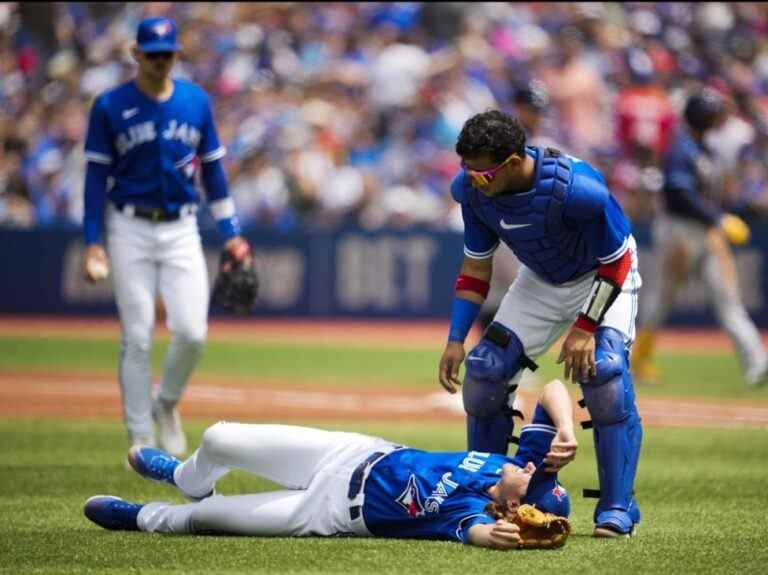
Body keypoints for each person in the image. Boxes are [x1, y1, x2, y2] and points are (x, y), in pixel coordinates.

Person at [437, 110, 643, 537]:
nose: (474, 179)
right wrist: (456, 338)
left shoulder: (579, 191)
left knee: (604, 372)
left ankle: (618, 507)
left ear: (513, 162)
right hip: (542, 280)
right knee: (484, 371)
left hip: (603, 276)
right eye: (467, 169)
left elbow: (616, 260)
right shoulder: (473, 193)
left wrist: (585, 328)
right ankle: (487, 494)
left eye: (483, 171)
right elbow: (476, 267)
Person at [83, 379, 577, 550]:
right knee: (218, 437)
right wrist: (568, 431)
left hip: (328, 515)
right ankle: (182, 476)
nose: (531, 468)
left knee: (206, 519)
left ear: (516, 509)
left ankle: (141, 516)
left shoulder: (467, 515)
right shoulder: (506, 468)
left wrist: (502, 538)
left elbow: (480, 536)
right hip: (350, 451)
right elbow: (554, 390)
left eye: (533, 482)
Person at [81, 17, 253, 456]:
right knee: (137, 335)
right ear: (136, 54)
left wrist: (231, 233)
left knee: (193, 332)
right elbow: (94, 179)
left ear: (176, 55)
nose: (160, 62)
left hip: (181, 226)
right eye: (152, 54)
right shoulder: (109, 106)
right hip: (128, 226)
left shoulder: (195, 102)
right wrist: (92, 241)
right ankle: (140, 441)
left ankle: (167, 403)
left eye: (167, 54)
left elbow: (213, 171)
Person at [632, 88, 768, 388]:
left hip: (703, 232)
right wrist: (717, 218)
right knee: (661, 299)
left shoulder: (702, 147)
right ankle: (639, 359)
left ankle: (757, 361)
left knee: (726, 298)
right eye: (712, 113)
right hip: (679, 231)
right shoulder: (681, 149)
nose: (717, 118)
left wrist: (718, 217)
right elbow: (678, 195)